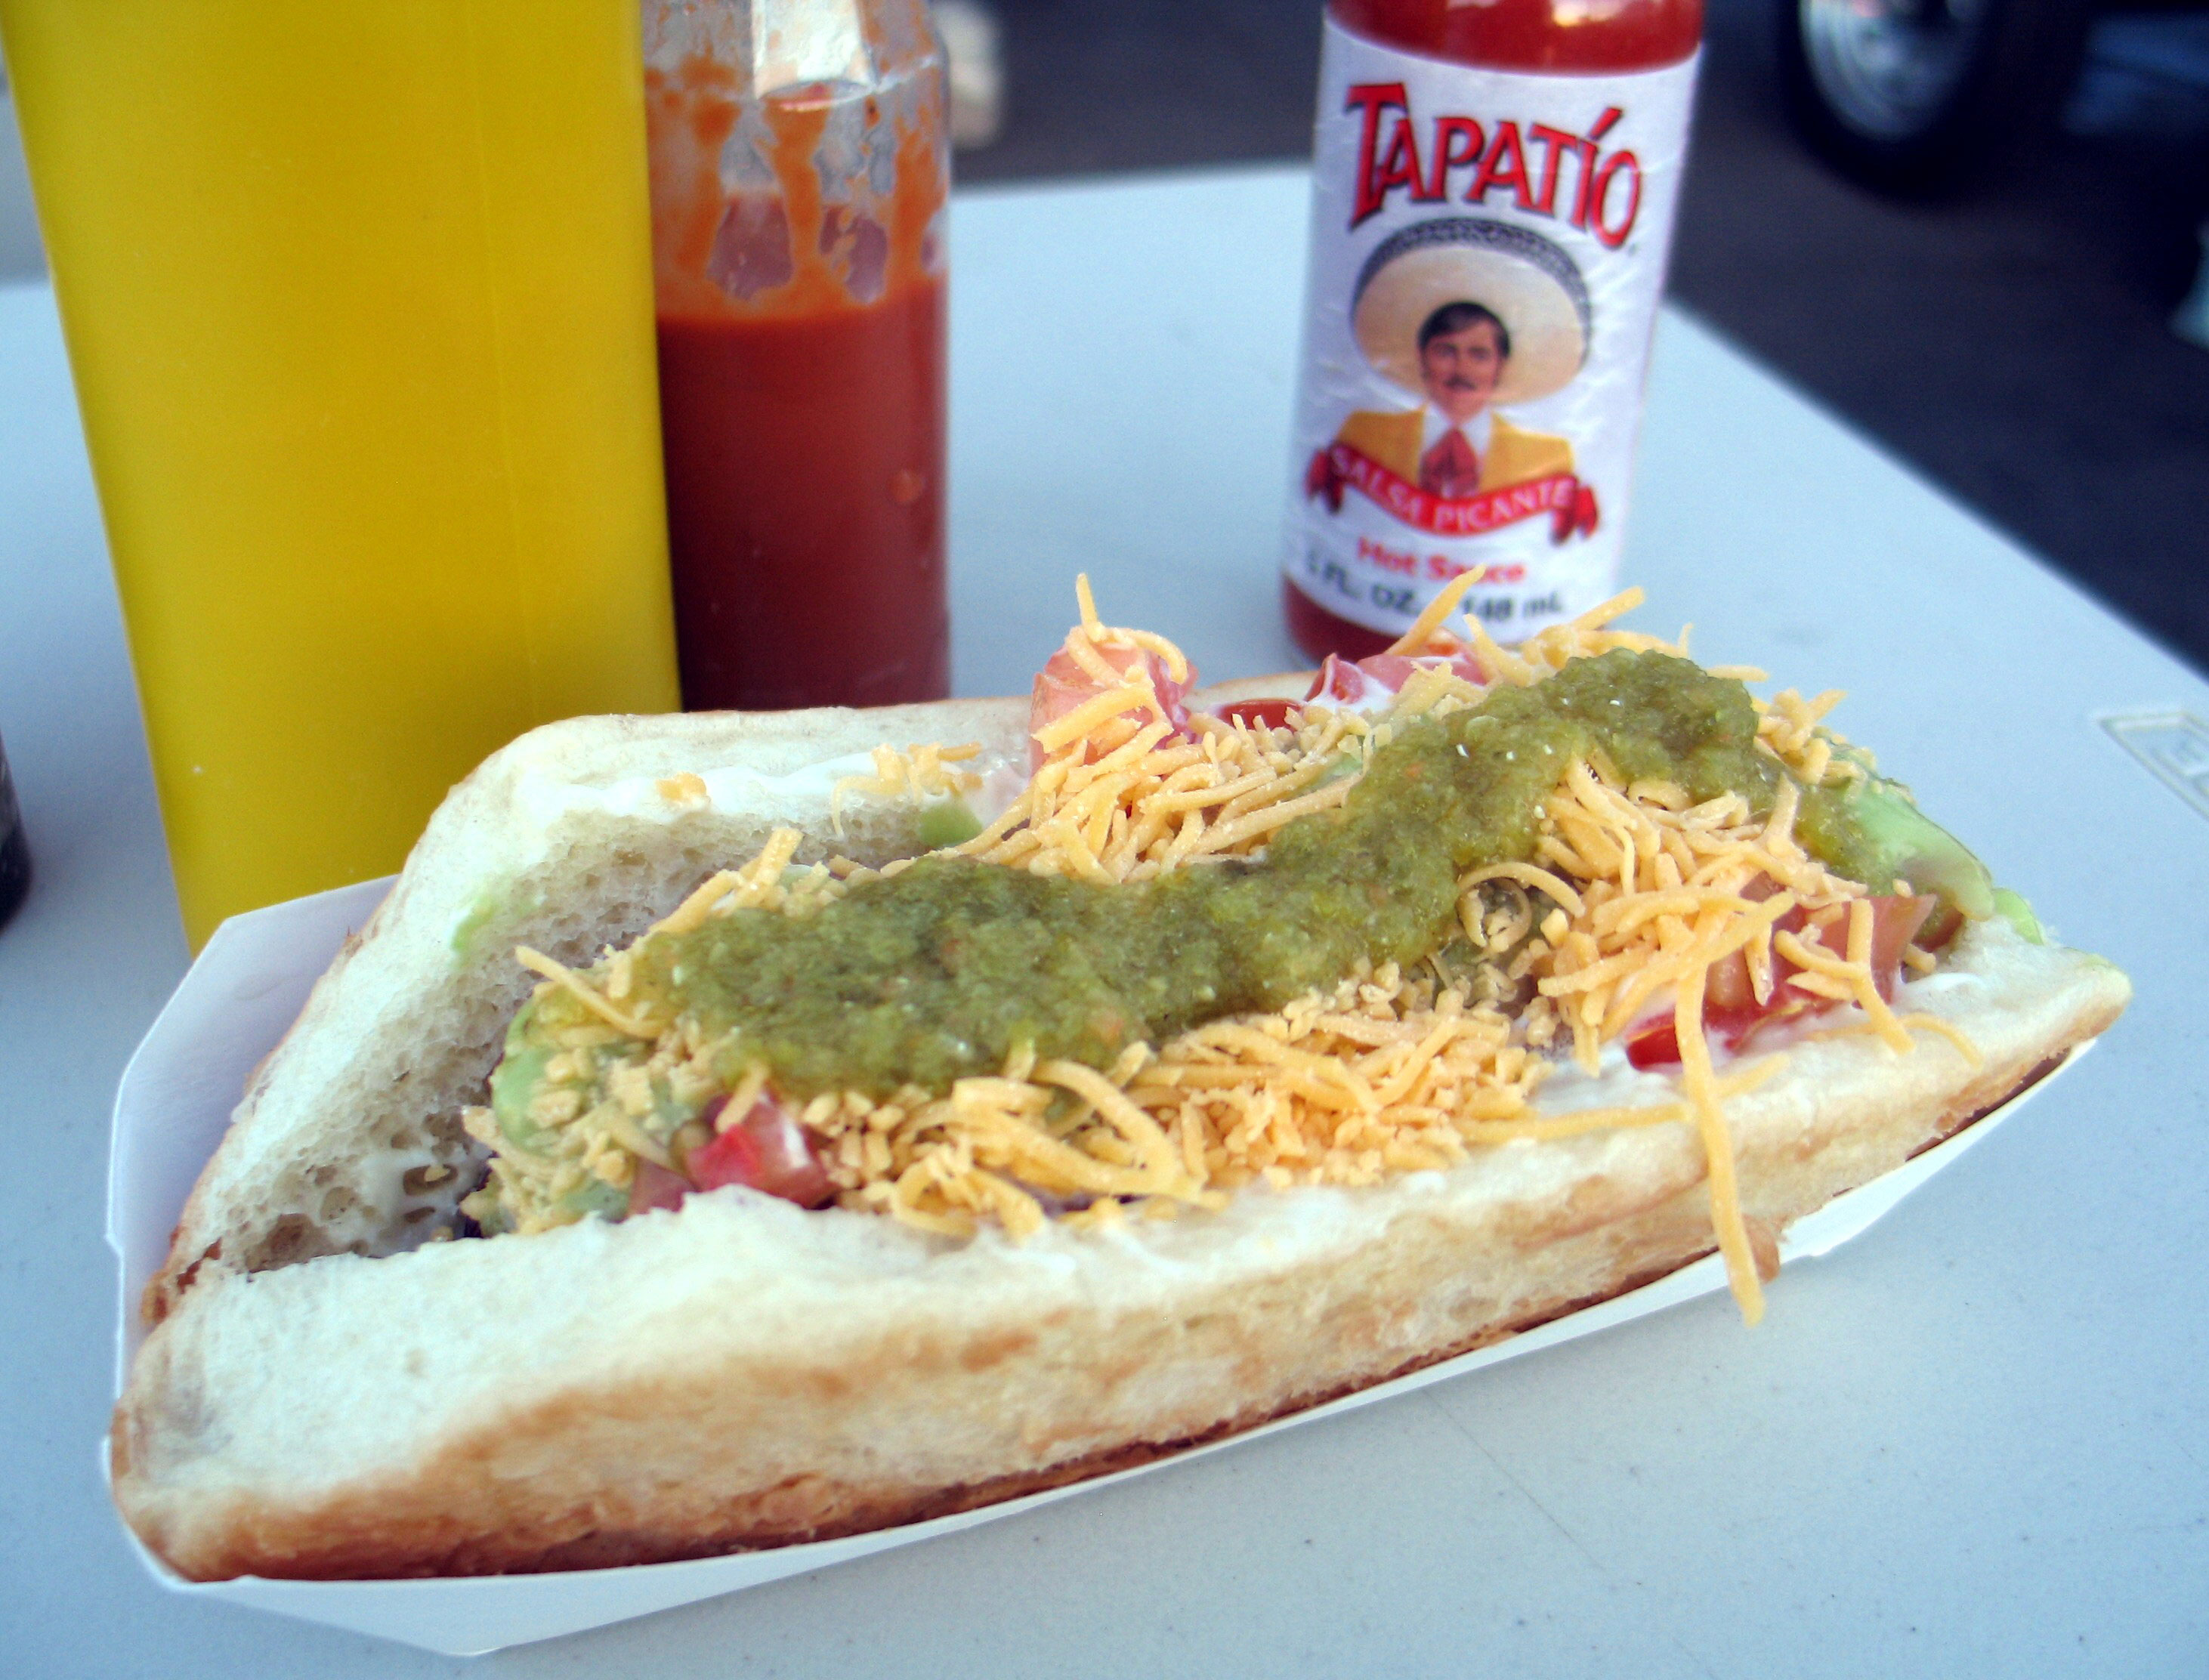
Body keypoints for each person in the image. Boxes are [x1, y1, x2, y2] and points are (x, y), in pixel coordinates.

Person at [1333, 301, 1573, 498]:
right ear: (1421, 358)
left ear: (1501, 366)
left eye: (1479, 356)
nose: (1462, 371)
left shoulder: (1549, 457)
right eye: (1445, 352)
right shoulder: (1363, 434)